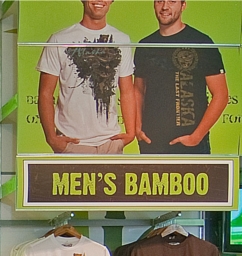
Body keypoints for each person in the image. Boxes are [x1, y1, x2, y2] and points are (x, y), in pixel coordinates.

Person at [36, 0, 137, 154]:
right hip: (72, 143)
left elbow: (127, 91)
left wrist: (130, 134)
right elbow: (45, 93)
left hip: (110, 143)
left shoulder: (122, 40)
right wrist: (51, 137)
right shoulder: (59, 39)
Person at [134, 0, 229, 154]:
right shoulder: (145, 45)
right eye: (160, 1)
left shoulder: (202, 43)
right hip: (152, 142)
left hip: (192, 144)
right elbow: (138, 90)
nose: (165, 7)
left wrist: (196, 137)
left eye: (172, 1)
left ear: (183, 5)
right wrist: (138, 129)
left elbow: (221, 95)